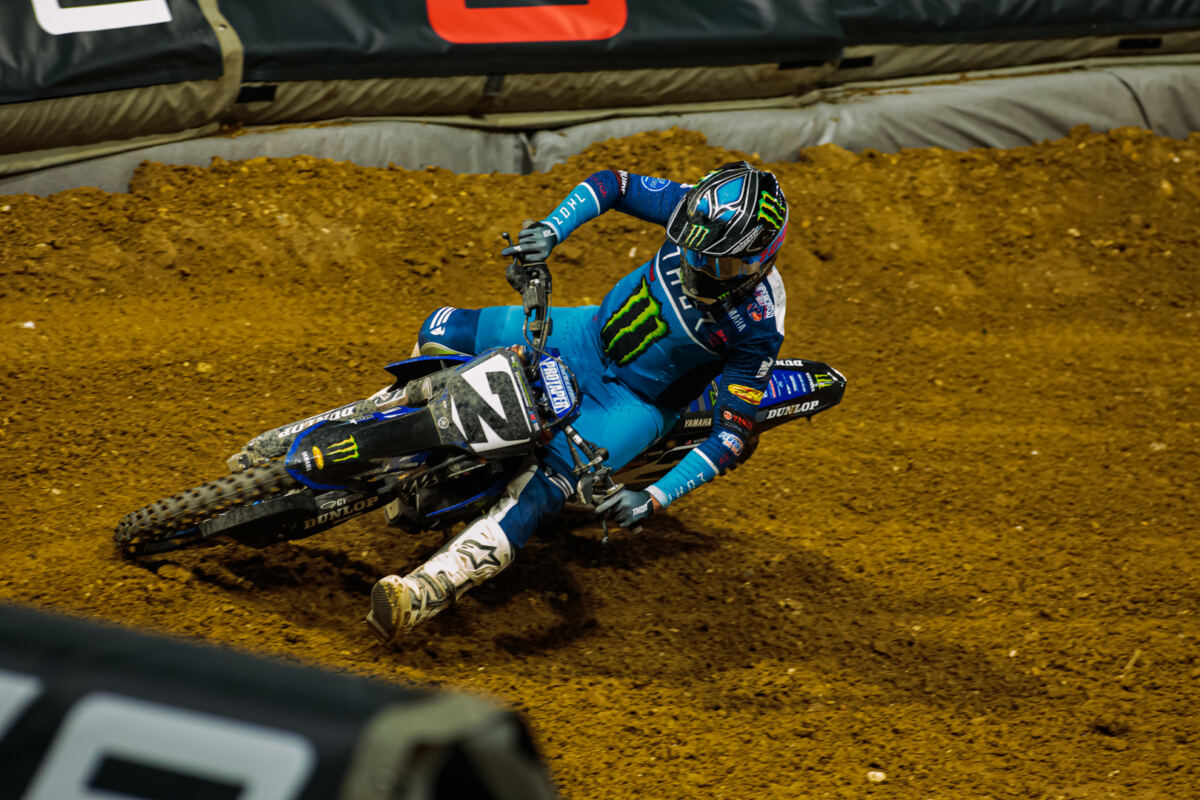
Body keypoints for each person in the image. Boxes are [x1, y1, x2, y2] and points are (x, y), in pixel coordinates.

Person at [365, 161, 789, 644]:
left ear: (761, 258)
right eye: (694, 251)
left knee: (540, 488)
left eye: (721, 264)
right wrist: (552, 229)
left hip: (632, 402)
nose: (700, 267)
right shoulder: (696, 210)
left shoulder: (759, 325)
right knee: (441, 329)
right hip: (583, 334)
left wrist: (654, 498)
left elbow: (732, 436)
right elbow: (615, 184)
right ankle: (381, 420)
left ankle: (425, 591)